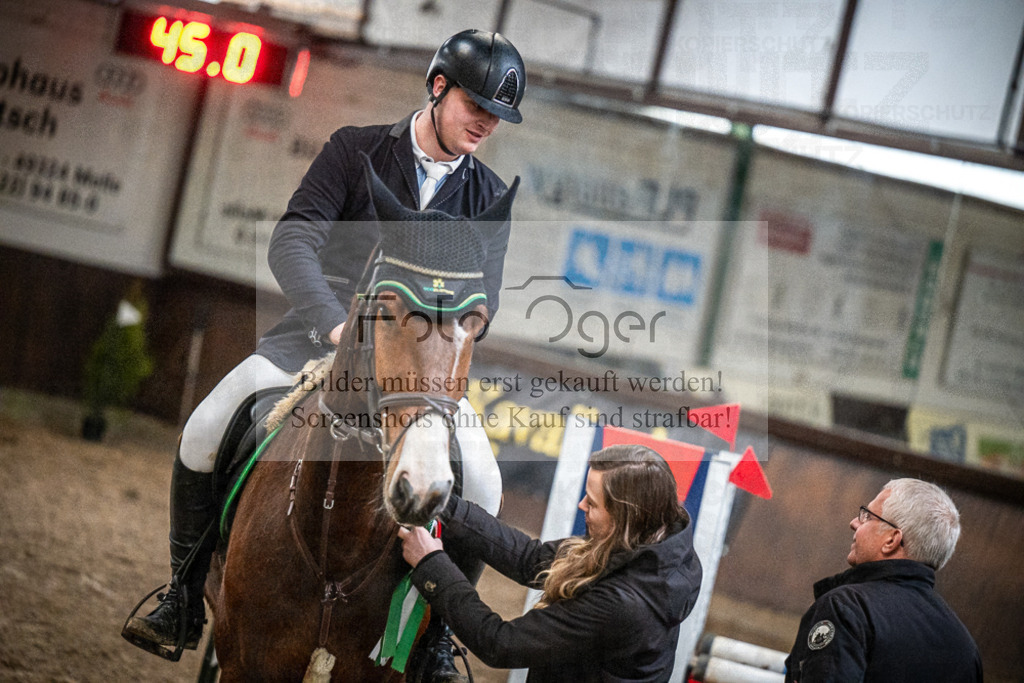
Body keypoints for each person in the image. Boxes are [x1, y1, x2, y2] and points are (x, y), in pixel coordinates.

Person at [123, 29, 527, 675]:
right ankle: (182, 594)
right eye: (475, 104)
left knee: (483, 478)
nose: (485, 122)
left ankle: (437, 637)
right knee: (205, 427)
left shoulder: (486, 197)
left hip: (416, 365)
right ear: (438, 86)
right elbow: (294, 241)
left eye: (497, 115)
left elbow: (487, 300)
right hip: (316, 338)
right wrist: (336, 323)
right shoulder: (355, 148)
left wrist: (423, 345)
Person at [398, 444, 704, 682]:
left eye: (592, 503)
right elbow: (533, 559)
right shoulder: (647, 543)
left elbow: (501, 643)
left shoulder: (622, 604)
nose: (581, 505)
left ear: (624, 518)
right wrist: (443, 505)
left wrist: (432, 564)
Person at [784, 478, 983, 682]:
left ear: (891, 540)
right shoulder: (966, 648)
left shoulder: (847, 608)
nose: (854, 523)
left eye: (867, 517)